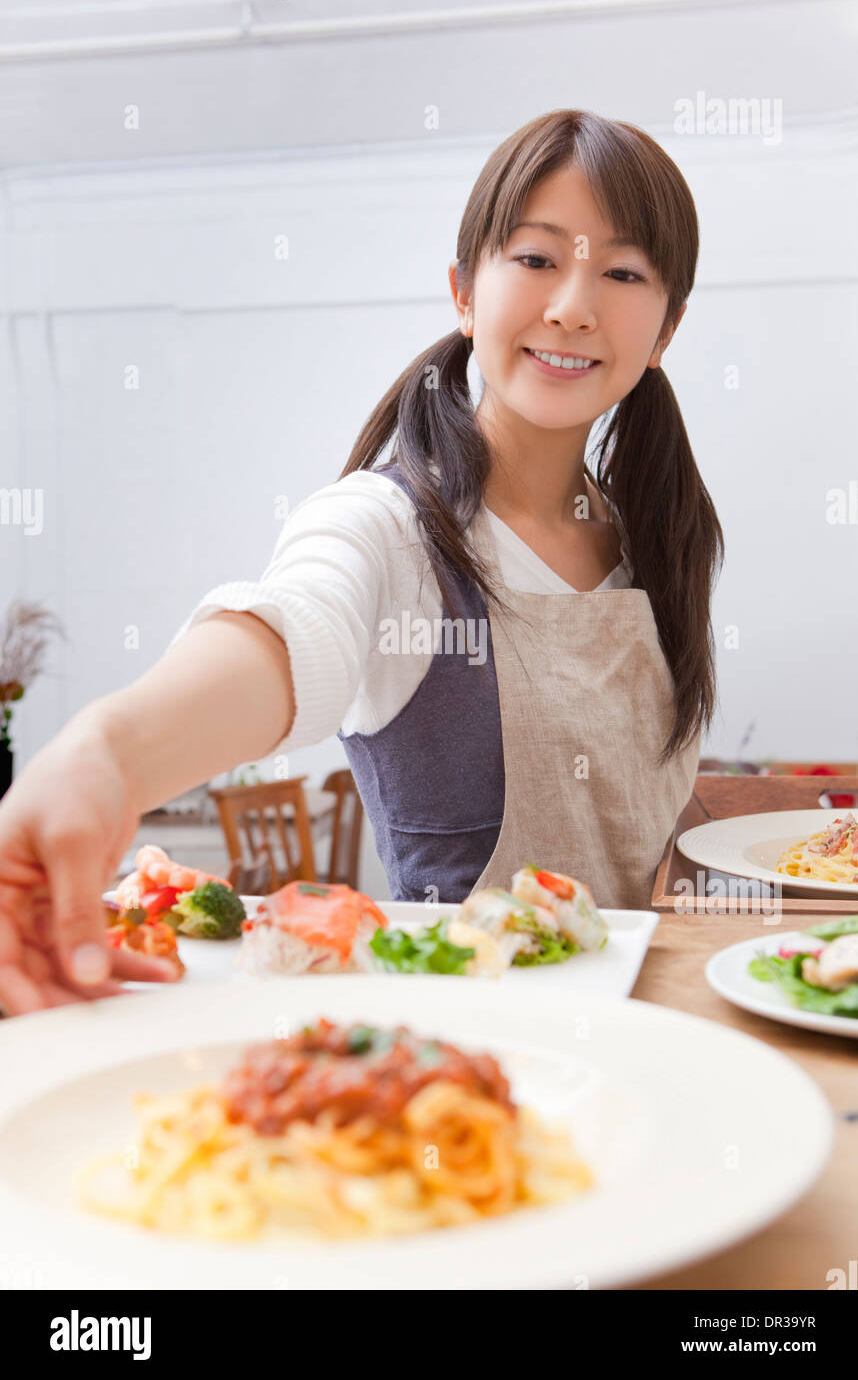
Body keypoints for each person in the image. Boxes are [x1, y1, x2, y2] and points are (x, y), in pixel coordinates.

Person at [0, 108, 723, 1017]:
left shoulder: (656, 539)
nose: (573, 305)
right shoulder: (387, 527)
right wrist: (105, 757)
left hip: (663, 1040)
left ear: (666, 330)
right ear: (464, 291)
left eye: (622, 272)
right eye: (536, 259)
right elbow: (290, 629)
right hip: (469, 1067)